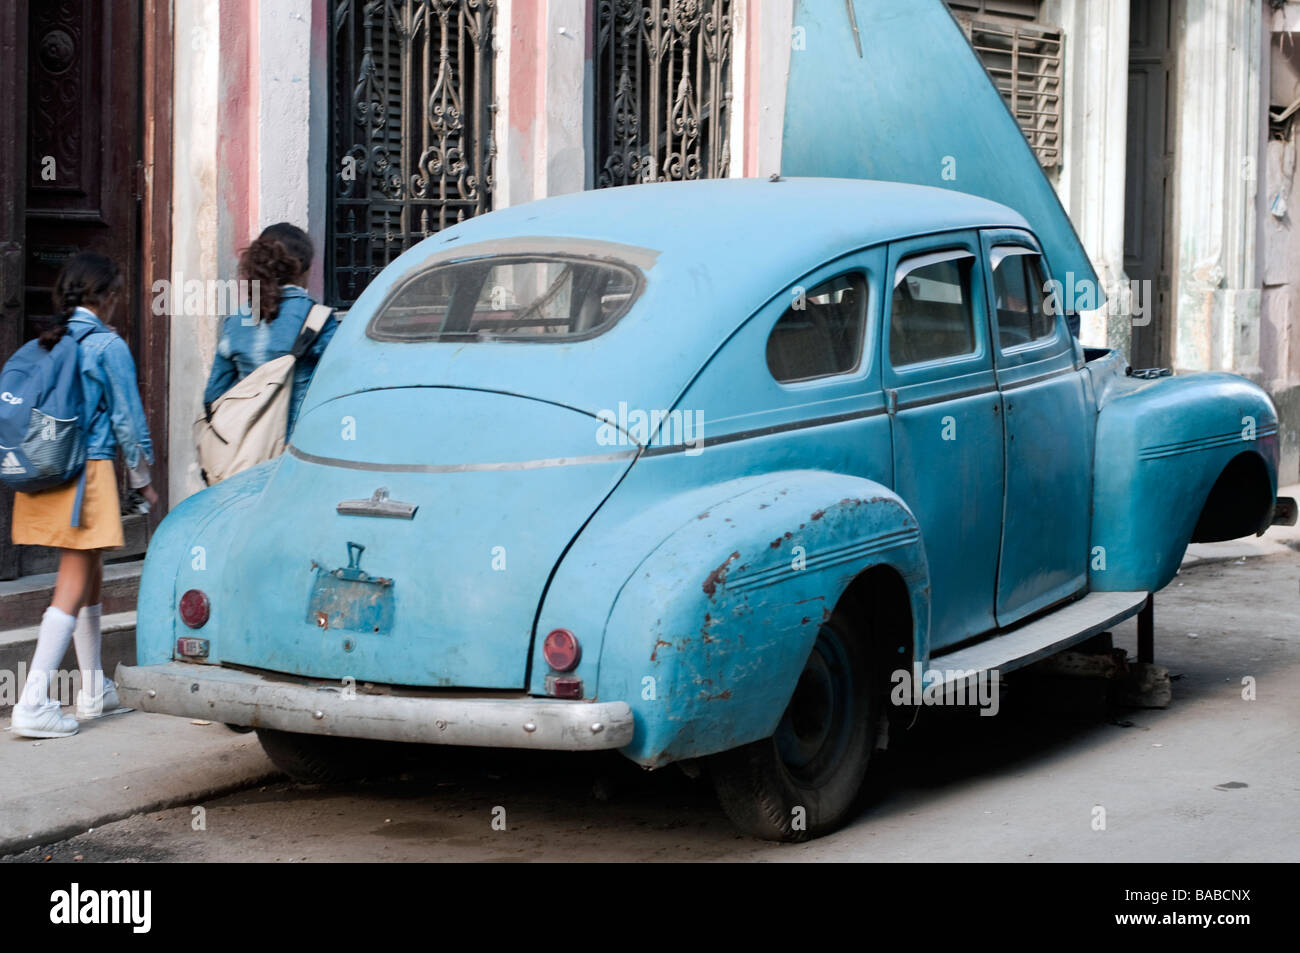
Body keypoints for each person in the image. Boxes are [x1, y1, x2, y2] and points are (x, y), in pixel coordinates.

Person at [10, 252, 158, 739]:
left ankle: (93, 690)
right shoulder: (106, 344)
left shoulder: (49, 340)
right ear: (109, 297)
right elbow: (127, 421)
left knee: (90, 571)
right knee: (71, 584)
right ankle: (31, 702)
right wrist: (143, 481)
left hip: (49, 473)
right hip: (87, 475)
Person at [202, 223, 337, 441]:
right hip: (297, 448)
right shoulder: (317, 319)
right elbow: (338, 384)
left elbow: (213, 394)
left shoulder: (237, 320)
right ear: (303, 269)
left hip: (247, 451)